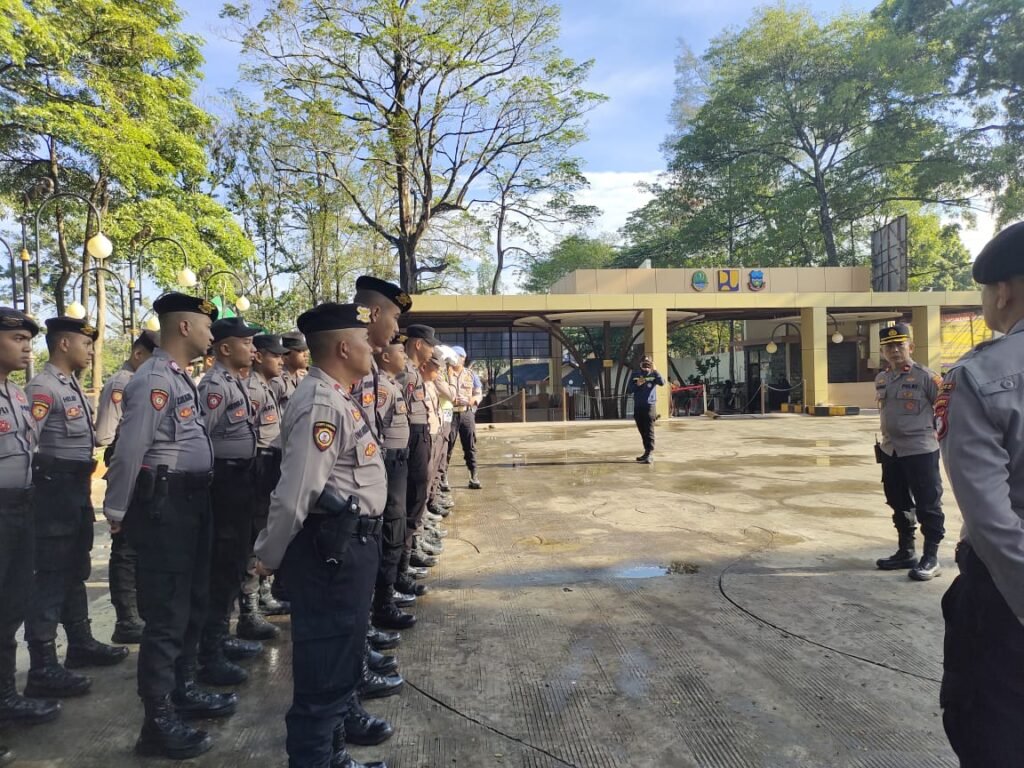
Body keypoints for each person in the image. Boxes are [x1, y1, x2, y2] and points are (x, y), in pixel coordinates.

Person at [253, 302, 388, 768]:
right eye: (365, 339)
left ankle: (333, 756)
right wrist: (268, 555)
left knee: (339, 661)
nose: (373, 347)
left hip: (349, 545)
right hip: (332, 549)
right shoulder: (321, 402)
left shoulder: (335, 394)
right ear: (344, 346)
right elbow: (296, 492)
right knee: (324, 669)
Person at [103, 292, 236, 759]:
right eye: (205, 325)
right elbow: (129, 450)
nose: (210, 334)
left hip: (193, 501)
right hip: (166, 507)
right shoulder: (153, 380)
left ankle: (182, 691)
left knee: (194, 602)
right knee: (167, 615)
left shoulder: (180, 377)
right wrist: (117, 511)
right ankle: (156, 722)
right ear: (184, 328)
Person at [938, 221, 1024, 766]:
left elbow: (993, 524)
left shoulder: (981, 375)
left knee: (995, 734)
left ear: (1003, 291)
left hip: (1005, 604)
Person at [23, 317, 128, 701]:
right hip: (52, 490)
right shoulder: (43, 388)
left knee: (74, 568)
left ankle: (80, 642)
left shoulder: (72, 387)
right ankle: (43, 663)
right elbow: (26, 446)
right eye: (85, 343)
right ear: (64, 344)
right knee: (51, 574)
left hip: (75, 488)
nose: (90, 350)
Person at [0, 308, 60, 764]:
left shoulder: (19, 396)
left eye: (28, 339)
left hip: (22, 507)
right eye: (18, 337)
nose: (26, 346)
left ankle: (6, 698)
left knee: (11, 606)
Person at [197, 317, 263, 685]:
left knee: (236, 559)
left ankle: (223, 635)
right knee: (221, 566)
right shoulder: (214, 386)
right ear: (224, 348)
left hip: (241, 478)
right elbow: (201, 437)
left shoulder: (234, 382)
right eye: (246, 342)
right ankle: (210, 652)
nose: (252, 348)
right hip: (223, 481)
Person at [95, 329, 159, 644]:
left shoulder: (145, 379)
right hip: (128, 467)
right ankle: (127, 618)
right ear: (138, 354)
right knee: (125, 549)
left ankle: (137, 613)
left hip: (145, 470)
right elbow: (107, 436)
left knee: (140, 546)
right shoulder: (123, 383)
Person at [873, 322, 945, 580]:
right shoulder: (882, 378)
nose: (894, 351)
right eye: (888, 347)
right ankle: (906, 551)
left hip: (920, 450)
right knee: (898, 502)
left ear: (910, 347)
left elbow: (946, 409)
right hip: (891, 450)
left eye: (899, 345)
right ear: (883, 351)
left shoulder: (927, 377)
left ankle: (931, 556)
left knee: (928, 504)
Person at [238, 333, 290, 642]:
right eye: (275, 355)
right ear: (259, 356)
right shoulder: (250, 389)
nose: (280, 360)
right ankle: (249, 610)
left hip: (270, 463)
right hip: (256, 465)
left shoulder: (267, 387)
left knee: (264, 530)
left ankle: (263, 596)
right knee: (252, 538)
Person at [398, 325, 442, 579]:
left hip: (420, 434)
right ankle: (403, 564)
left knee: (418, 496)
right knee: (410, 498)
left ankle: (409, 552)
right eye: (429, 344)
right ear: (417, 344)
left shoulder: (413, 371)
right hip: (409, 438)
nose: (432, 349)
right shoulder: (404, 372)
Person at [445, 345, 482, 489]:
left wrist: (473, 400)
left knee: (470, 445)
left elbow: (478, 393)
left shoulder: (471, 375)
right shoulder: (444, 373)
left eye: (457, 356)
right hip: (450, 413)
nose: (454, 359)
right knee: (446, 446)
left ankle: (473, 476)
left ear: (463, 358)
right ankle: (443, 478)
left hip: (466, 413)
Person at [626, 355, 664, 464]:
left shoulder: (653, 375)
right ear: (640, 364)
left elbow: (662, 382)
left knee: (649, 431)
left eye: (649, 363)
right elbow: (629, 389)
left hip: (649, 407)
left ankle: (650, 454)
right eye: (644, 363)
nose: (646, 366)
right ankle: (646, 452)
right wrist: (637, 384)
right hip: (638, 407)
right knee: (642, 431)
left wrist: (655, 370)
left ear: (651, 364)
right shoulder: (635, 375)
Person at [274, 330, 309, 411]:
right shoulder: (277, 382)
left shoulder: (301, 378)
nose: (306, 354)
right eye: (300, 351)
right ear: (285, 355)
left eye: (306, 350)